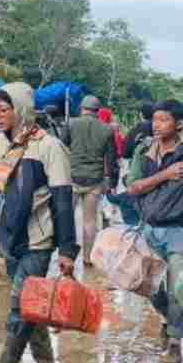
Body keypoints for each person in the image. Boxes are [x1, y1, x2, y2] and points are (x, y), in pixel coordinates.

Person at [0, 84, 77, 363]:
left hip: (38, 239)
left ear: (22, 110)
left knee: (20, 307)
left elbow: (62, 200)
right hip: (9, 236)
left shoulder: (49, 147)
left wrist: (68, 250)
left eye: (5, 109)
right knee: (31, 304)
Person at [126, 99, 183, 363]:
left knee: (179, 289)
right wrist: (164, 175)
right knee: (148, 285)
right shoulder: (144, 152)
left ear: (178, 123)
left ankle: (175, 343)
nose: (156, 125)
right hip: (149, 231)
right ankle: (168, 319)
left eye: (163, 119)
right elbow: (133, 188)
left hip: (179, 232)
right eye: (154, 119)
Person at [66, 95, 116, 266]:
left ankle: (66, 257)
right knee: (90, 221)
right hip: (94, 179)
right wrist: (111, 182)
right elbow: (111, 159)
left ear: (82, 108)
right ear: (98, 111)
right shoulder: (107, 129)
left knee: (67, 218)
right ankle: (88, 258)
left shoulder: (71, 124)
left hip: (72, 178)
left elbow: (63, 148)